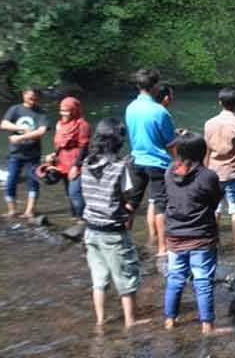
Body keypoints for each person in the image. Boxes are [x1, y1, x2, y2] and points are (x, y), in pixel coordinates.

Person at [81, 118, 144, 330]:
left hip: (90, 229)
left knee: (99, 280)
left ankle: (100, 321)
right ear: (117, 141)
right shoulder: (119, 167)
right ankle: (131, 321)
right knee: (126, 278)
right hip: (113, 233)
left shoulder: (86, 164)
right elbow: (127, 195)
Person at [162, 132, 225, 335]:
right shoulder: (208, 176)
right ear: (202, 152)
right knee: (203, 280)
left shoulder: (168, 172)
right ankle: (207, 325)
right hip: (201, 236)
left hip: (174, 235)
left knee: (175, 278)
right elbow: (215, 201)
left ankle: (170, 320)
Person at [125, 69, 175, 258]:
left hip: (136, 159)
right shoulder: (159, 111)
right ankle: (162, 248)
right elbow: (170, 143)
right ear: (155, 86)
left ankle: (125, 242)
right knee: (161, 206)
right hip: (158, 163)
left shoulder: (130, 107)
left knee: (131, 203)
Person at [203, 87, 235, 249]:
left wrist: (202, 170)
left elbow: (206, 150)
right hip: (232, 173)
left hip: (212, 172)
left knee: (215, 209)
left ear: (220, 103)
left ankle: (213, 242)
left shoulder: (209, 124)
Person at [0, 88, 49, 218]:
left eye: (34, 97)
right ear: (24, 95)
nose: (32, 99)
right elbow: (3, 124)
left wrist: (20, 137)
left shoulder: (41, 112)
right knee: (11, 181)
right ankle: (12, 210)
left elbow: (41, 132)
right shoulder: (15, 109)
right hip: (15, 153)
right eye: (30, 96)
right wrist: (21, 128)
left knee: (33, 182)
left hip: (33, 154)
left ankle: (29, 211)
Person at [46, 96, 91, 222]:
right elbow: (59, 145)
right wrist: (52, 156)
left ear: (74, 110)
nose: (64, 113)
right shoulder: (60, 124)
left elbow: (84, 147)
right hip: (62, 162)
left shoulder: (82, 125)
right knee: (69, 194)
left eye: (67, 110)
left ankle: (83, 220)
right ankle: (74, 219)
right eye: (62, 110)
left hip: (76, 163)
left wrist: (77, 166)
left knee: (75, 192)